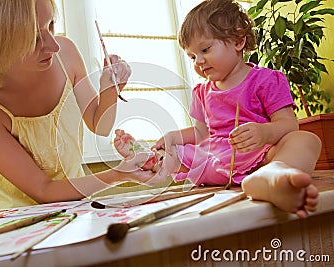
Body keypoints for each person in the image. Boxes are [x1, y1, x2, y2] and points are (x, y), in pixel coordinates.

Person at [114, 0, 322, 218]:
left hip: (260, 158)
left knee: (306, 139)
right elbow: (201, 134)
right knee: (172, 153)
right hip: (214, 160)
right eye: (192, 56)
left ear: (238, 40)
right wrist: (171, 137)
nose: (199, 61)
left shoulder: (266, 80)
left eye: (205, 49)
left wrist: (264, 133)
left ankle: (273, 177)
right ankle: (142, 155)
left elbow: (289, 124)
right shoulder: (201, 92)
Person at [0, 0, 154, 210]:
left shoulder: (66, 54)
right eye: (33, 39)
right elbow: (44, 190)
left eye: (51, 24)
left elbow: (100, 126)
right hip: (12, 221)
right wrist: (118, 174)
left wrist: (109, 89)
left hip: (74, 210)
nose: (54, 45)